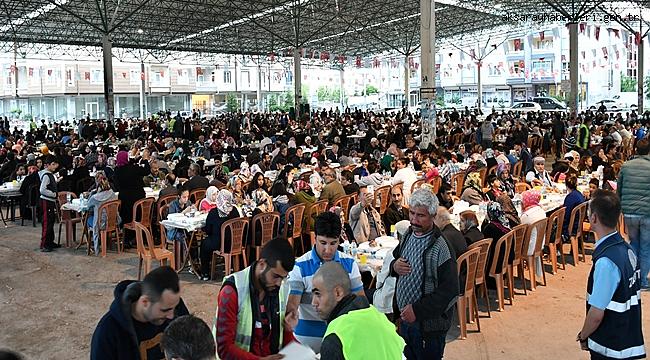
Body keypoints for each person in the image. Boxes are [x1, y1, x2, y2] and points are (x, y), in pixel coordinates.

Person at [390, 189, 459, 360]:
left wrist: (417, 310)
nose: (413, 220)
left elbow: (450, 292)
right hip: (406, 321)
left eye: (420, 215)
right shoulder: (408, 233)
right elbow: (396, 257)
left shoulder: (441, 248)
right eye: (412, 213)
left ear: (433, 216)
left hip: (428, 329)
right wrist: (394, 266)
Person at [577, 190, 645, 359]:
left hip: (609, 345)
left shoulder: (606, 261)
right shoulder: (626, 249)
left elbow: (596, 314)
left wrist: (584, 335)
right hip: (626, 338)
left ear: (594, 219)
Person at [287, 212, 364, 353]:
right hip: (306, 342)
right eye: (323, 243)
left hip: (341, 339)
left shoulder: (350, 264)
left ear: (339, 241)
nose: (328, 250)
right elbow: (293, 303)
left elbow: (360, 303)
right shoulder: (299, 266)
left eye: (333, 243)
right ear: (314, 238)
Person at [215, 238, 298, 360]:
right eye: (275, 276)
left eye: (283, 278)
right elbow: (224, 349)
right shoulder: (232, 292)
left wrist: (288, 330)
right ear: (262, 264)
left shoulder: (282, 288)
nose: (279, 283)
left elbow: (282, 337)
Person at [90, 266, 190, 360]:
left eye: (174, 307)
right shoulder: (108, 332)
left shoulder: (172, 305)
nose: (172, 316)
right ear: (145, 302)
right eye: (165, 310)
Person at [313, 262, 406, 360]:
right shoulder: (379, 317)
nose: (313, 302)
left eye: (318, 294)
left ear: (338, 293)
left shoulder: (336, 335)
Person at [617, 138, 650, 288]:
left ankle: (633, 278)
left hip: (629, 212)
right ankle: (642, 280)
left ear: (636, 149)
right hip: (647, 212)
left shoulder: (626, 166)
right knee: (646, 247)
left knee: (633, 244)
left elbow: (619, 189)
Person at [202, 189, 240, 281]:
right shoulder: (234, 210)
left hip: (219, 244)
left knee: (204, 244)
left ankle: (205, 272)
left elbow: (208, 230)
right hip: (235, 243)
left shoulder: (214, 212)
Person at [113, 150, 149, 247]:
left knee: (126, 217)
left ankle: (126, 239)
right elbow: (146, 171)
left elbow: (117, 185)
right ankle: (138, 237)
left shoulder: (117, 171)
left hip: (125, 199)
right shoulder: (134, 169)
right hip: (139, 198)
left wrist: (135, 160)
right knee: (137, 216)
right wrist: (145, 160)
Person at [86, 172, 119, 255]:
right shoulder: (113, 194)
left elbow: (88, 207)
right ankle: (107, 241)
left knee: (87, 219)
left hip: (99, 224)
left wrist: (91, 193)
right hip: (112, 221)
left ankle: (91, 243)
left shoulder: (95, 197)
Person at [520, 190, 546, 279]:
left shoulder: (527, 215)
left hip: (529, 247)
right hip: (539, 244)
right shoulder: (541, 211)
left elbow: (520, 227)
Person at [39, 155, 59, 252]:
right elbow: (42, 190)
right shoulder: (46, 175)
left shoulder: (50, 174)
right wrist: (53, 194)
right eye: (53, 164)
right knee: (47, 222)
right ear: (47, 165)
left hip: (50, 201)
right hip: (46, 201)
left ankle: (50, 241)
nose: (55, 166)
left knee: (51, 222)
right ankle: (44, 244)